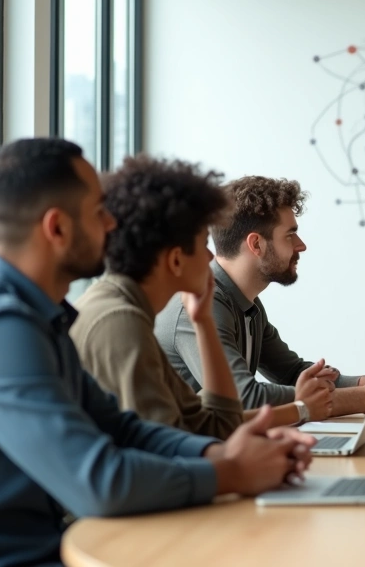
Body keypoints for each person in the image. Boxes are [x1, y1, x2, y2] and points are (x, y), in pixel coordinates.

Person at [0, 138, 314, 566]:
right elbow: (98, 482)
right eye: (98, 212)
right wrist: (231, 471)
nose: (111, 224)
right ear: (57, 228)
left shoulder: (39, 316)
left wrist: (221, 455)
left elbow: (123, 429)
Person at [72, 156, 323, 436]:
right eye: (203, 243)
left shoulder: (134, 310)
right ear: (176, 259)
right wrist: (300, 409)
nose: (210, 257)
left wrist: (203, 323)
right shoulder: (121, 320)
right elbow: (162, 442)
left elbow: (209, 424)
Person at [156, 175, 365, 417]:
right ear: (256, 244)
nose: (301, 245)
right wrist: (363, 397)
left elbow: (291, 373)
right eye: (290, 234)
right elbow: (244, 399)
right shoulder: (199, 306)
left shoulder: (248, 305)